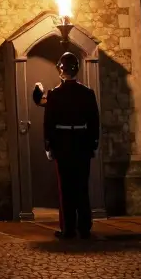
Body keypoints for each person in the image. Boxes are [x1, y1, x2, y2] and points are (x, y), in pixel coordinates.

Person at [38, 51, 100, 240]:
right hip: (82, 143)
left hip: (63, 144)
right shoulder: (87, 93)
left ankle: (69, 228)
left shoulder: (55, 94)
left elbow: (48, 122)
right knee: (81, 187)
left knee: (66, 188)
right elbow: (94, 121)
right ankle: (84, 226)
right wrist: (93, 143)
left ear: (61, 70)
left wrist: (49, 145)